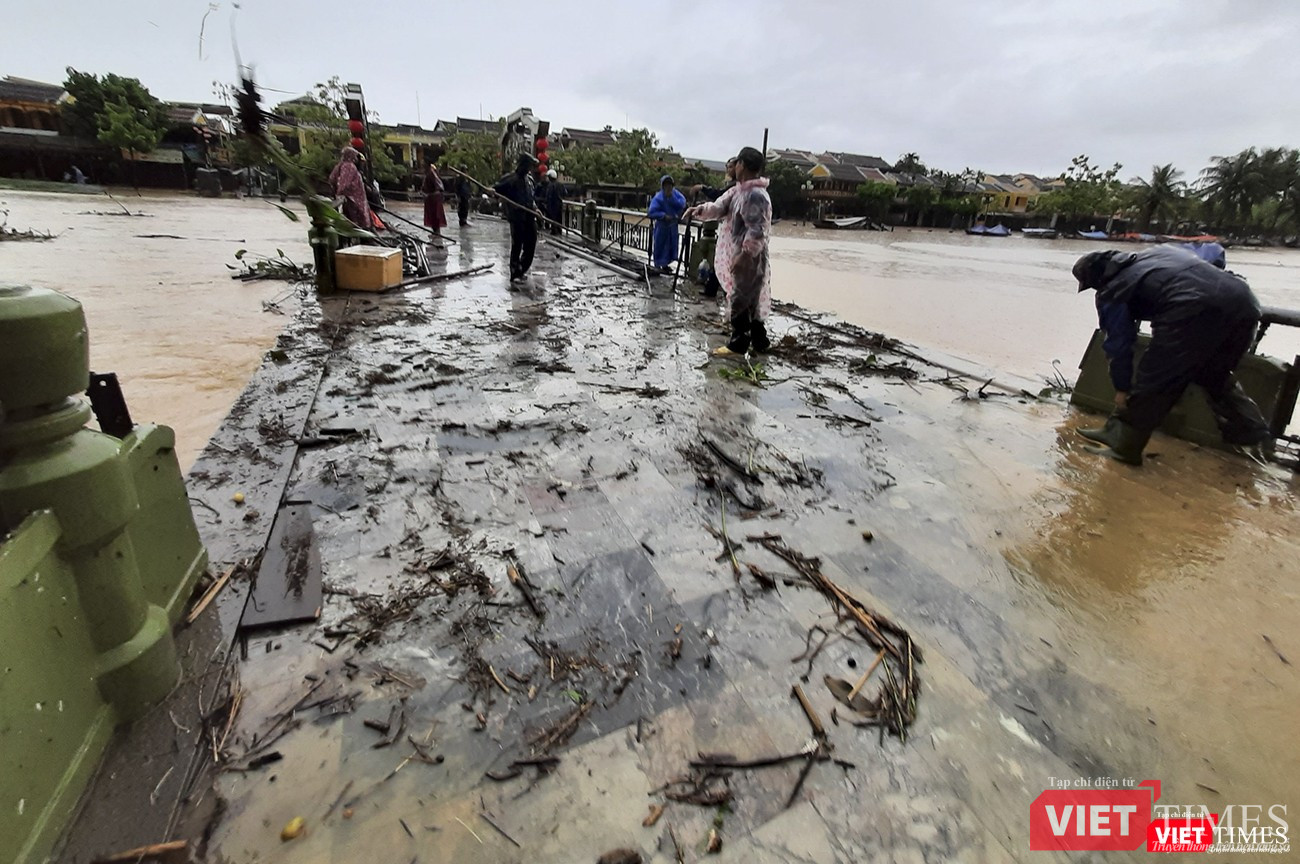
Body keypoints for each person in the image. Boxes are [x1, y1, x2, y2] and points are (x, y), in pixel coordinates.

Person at [1073, 245, 1273, 465]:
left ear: (1097, 280)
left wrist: (1121, 388)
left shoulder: (1112, 290)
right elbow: (1214, 252)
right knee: (1212, 374)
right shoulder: (1160, 252)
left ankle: (1125, 447)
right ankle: (1255, 437)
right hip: (1245, 304)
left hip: (1190, 308)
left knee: (1155, 377)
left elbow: (1118, 343)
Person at [685, 147, 772, 355]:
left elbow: (757, 229)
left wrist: (745, 254)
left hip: (749, 256)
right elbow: (719, 207)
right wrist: (700, 210)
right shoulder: (738, 191)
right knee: (749, 297)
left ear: (742, 164)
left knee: (742, 297)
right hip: (740, 252)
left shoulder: (755, 195)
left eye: (736, 164)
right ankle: (760, 341)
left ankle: (739, 343)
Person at [689, 158, 737, 297]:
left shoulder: (736, 186)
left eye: (731, 167)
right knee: (720, 262)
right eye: (727, 167)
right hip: (729, 232)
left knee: (727, 264)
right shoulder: (733, 185)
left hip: (735, 233)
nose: (728, 170)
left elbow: (719, 196)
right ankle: (713, 290)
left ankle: (722, 292)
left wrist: (703, 188)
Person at [495, 153, 540, 282]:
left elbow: (531, 198)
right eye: (529, 165)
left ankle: (522, 268)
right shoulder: (510, 179)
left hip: (530, 215)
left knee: (531, 242)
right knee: (517, 244)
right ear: (523, 165)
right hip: (517, 216)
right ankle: (515, 272)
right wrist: (492, 191)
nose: (530, 168)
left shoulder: (529, 180)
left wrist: (536, 209)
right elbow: (496, 189)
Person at [647, 175, 687, 272]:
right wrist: (663, 216)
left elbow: (682, 204)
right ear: (662, 186)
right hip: (662, 226)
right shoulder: (658, 197)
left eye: (670, 185)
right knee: (660, 245)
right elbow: (651, 212)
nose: (668, 187)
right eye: (666, 185)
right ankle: (657, 264)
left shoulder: (677, 195)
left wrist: (671, 198)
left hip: (673, 226)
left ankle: (665, 264)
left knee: (671, 246)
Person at [328, 146, 372, 229]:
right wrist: (341, 194)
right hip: (353, 197)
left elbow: (331, 179)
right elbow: (344, 183)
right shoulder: (349, 166)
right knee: (358, 216)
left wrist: (336, 192)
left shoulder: (340, 165)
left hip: (348, 197)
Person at [422, 162, 447, 238]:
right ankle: (435, 231)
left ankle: (436, 232)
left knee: (435, 215)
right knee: (433, 215)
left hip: (434, 198)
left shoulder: (432, 174)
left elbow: (437, 186)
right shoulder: (429, 174)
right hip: (432, 197)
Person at [543, 168, 565, 235]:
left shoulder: (550, 185)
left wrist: (546, 203)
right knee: (559, 218)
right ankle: (559, 230)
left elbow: (548, 196)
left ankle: (554, 231)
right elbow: (565, 193)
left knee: (553, 219)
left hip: (552, 205)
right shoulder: (561, 185)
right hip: (559, 204)